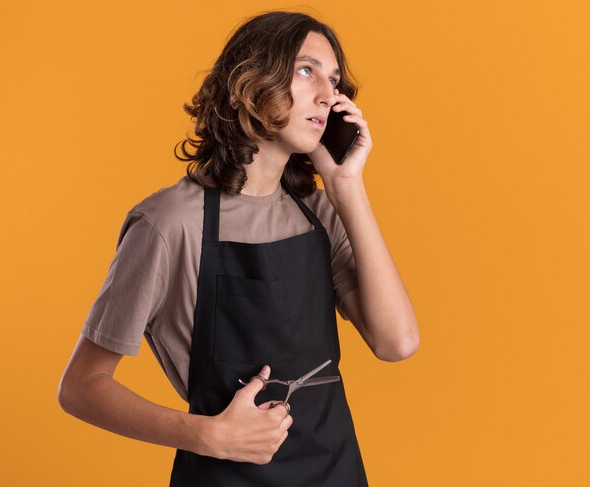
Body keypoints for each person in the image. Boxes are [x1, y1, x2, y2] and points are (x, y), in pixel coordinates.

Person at [58, 9, 419, 487]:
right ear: (252, 80)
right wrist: (205, 435)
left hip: (337, 471)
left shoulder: (320, 210)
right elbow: (81, 388)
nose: (327, 95)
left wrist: (346, 185)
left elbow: (397, 343)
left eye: (334, 82)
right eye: (306, 70)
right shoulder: (170, 223)